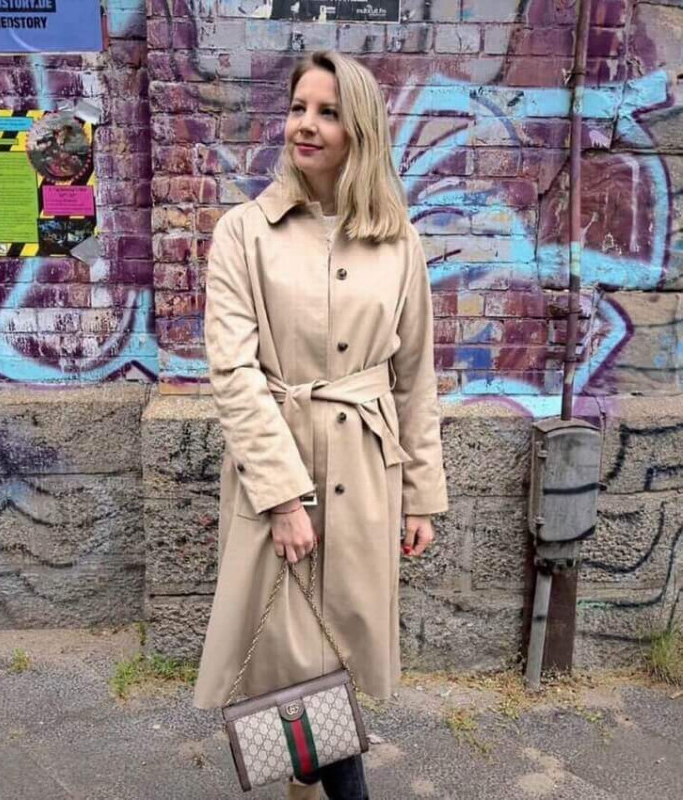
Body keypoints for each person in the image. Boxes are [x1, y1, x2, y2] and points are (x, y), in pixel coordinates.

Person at [193, 50, 448, 800]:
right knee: (290, 655)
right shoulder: (244, 233)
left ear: (359, 129)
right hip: (278, 471)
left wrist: (422, 495)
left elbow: (415, 376)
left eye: (328, 112)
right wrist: (281, 496)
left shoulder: (398, 241)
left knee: (331, 657)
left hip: (366, 475)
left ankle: (303, 781)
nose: (306, 124)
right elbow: (234, 373)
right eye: (299, 107)